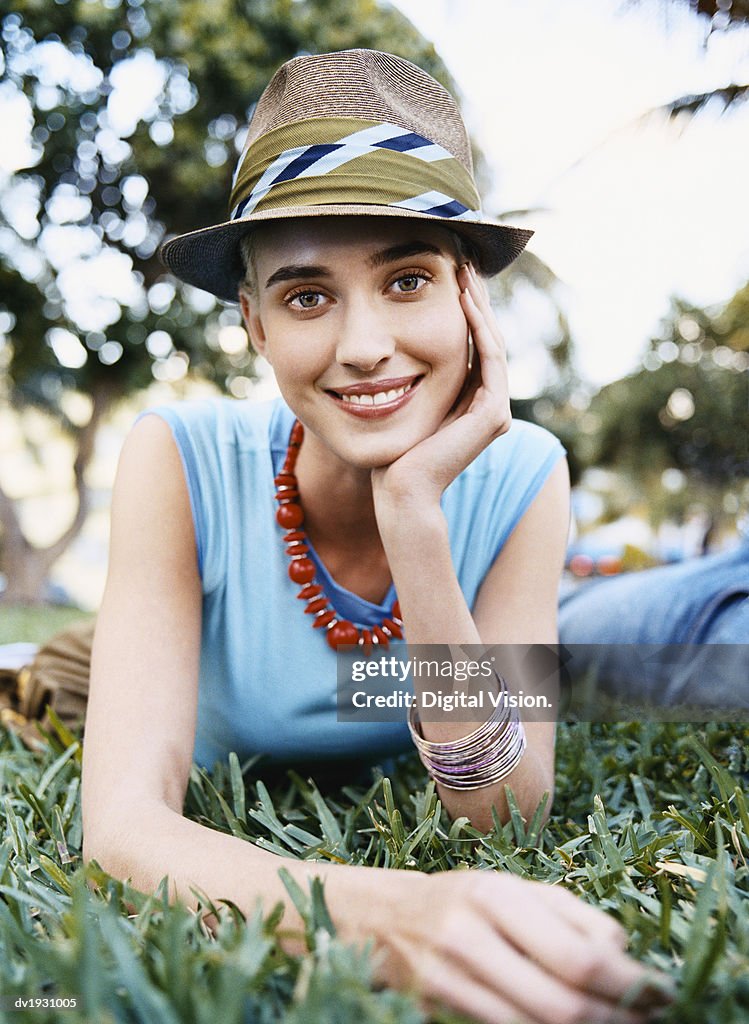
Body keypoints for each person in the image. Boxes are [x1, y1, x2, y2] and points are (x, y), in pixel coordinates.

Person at [80, 49, 671, 1024]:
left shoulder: (525, 473)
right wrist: (385, 915)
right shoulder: (176, 457)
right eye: (307, 295)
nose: (362, 346)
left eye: (405, 281)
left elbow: (505, 815)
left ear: (467, 297)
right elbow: (124, 828)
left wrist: (414, 524)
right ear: (254, 325)